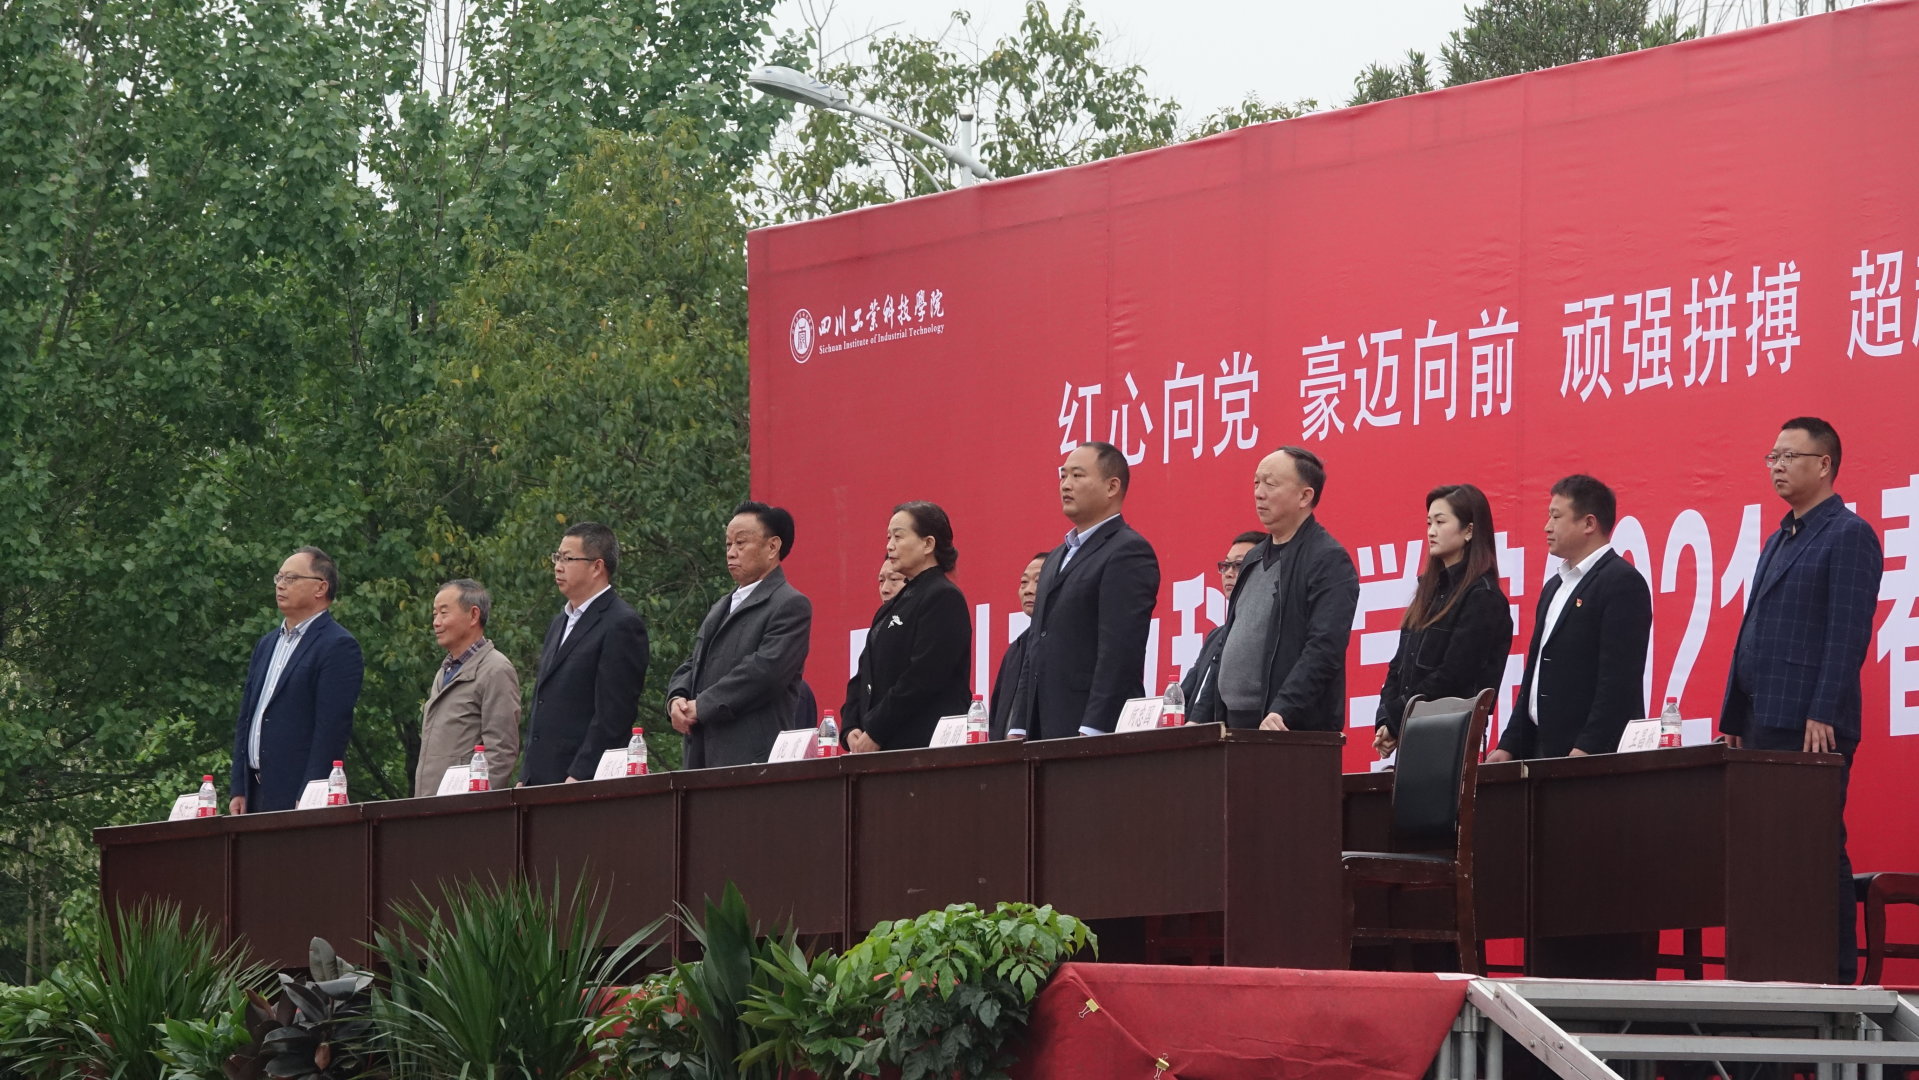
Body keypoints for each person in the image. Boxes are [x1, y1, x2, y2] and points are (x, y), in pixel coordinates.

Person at [1720, 417, 1883, 984]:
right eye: (1772, 457)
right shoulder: (1778, 537)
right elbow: (1753, 631)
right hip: (1762, 717)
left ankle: (1834, 972)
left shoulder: (1848, 533)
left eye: (1790, 456)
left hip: (1811, 722)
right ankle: (1775, 969)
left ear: (1825, 465)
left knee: (1814, 843)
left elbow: (1847, 633)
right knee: (1768, 850)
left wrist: (1823, 711)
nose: (1778, 467)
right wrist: (1734, 714)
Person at [1197, 446, 1359, 731]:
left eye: (1270, 484)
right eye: (1256, 483)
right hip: (1233, 724)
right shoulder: (1252, 557)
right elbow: (1227, 643)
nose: (1259, 493)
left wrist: (1283, 709)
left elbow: (1325, 648)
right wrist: (1200, 715)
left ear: (1304, 496)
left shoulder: (1327, 559)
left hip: (1285, 727)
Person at [1490, 475, 1652, 762]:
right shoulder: (1554, 587)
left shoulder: (1621, 582)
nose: (1547, 526)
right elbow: (1535, 676)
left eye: (1556, 516)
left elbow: (1619, 681)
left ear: (1589, 523)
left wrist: (1589, 747)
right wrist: (1509, 744)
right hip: (1541, 750)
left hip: (1589, 756)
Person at [1007, 442, 1160, 740]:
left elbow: (1120, 650)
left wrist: (1095, 727)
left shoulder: (1128, 551)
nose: (1066, 485)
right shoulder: (1055, 557)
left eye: (1077, 476)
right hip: (1041, 727)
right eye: (1063, 476)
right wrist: (1019, 724)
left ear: (1111, 486)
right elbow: (1037, 644)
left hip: (1088, 727)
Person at [669, 501, 813, 768]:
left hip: (750, 759)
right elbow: (693, 662)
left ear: (772, 547)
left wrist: (703, 705)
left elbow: (764, 673)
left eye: (741, 543)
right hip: (701, 756)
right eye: (728, 544)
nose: (731, 553)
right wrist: (677, 698)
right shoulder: (721, 606)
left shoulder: (789, 604)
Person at [1373, 485, 1514, 754]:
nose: (1431, 531)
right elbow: (1398, 665)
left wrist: (1396, 717)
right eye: (1429, 523)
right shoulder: (1428, 592)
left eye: (1440, 522)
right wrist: (1386, 720)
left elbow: (1454, 674)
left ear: (1469, 531)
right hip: (1414, 733)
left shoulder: (1482, 597)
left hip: (1452, 739)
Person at [228, 547, 364, 814]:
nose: (280, 585)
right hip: (254, 792)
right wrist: (239, 787)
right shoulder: (266, 644)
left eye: (291, 578)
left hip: (297, 794)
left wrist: (312, 792)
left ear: (320, 587)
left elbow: (331, 729)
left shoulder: (337, 645)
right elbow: (247, 717)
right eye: (278, 577)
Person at [519, 522, 650, 785]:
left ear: (597, 567)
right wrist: (526, 775)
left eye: (567, 559)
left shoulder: (621, 623)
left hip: (581, 781)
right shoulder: (560, 621)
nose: (558, 566)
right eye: (557, 558)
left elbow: (614, 714)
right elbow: (543, 704)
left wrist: (581, 774)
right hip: (540, 780)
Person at [843, 502, 972, 752]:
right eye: (888, 537)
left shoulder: (943, 596)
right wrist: (851, 727)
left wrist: (877, 730)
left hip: (924, 749)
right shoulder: (891, 606)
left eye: (898, 537)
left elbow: (923, 677)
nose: (889, 545)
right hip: (883, 747)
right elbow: (863, 674)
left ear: (928, 544)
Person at [412, 579, 521, 797]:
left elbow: (501, 751)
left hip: (463, 808)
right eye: (434, 614)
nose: (436, 622)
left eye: (444, 613)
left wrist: (477, 806)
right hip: (430, 806)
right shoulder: (444, 671)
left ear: (473, 615)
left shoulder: (496, 669)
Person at [1179, 531, 1266, 727]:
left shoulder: (1264, 633)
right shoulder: (1216, 635)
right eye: (1226, 565)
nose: (1228, 573)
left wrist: (1196, 723)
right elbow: (1187, 689)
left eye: (1239, 565)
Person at [989, 552, 1048, 740]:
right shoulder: (1016, 649)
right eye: (1024, 582)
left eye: (1038, 581)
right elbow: (998, 715)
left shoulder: (1064, 643)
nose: (1028, 590)